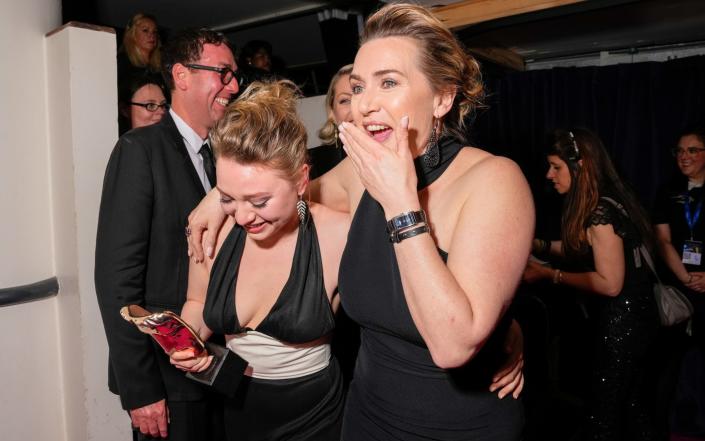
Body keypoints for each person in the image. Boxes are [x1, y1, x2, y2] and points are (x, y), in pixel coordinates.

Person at [187, 4, 531, 440]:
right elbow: (280, 189)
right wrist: (219, 198)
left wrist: (401, 202)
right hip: (365, 417)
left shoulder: (494, 181)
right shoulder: (359, 172)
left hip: (459, 427)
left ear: (443, 96)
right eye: (358, 86)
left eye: (388, 82)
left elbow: (453, 343)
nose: (365, 104)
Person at [170, 80, 349, 440]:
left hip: (316, 417)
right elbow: (197, 302)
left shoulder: (338, 235)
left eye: (259, 201)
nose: (242, 217)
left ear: (301, 179)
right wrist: (187, 345)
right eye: (227, 198)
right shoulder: (213, 229)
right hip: (236, 408)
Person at [95, 27, 239, 440]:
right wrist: (140, 391)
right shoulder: (139, 150)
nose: (232, 86)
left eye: (234, 76)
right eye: (222, 73)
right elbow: (116, 281)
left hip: (219, 369)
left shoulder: (224, 156)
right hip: (168, 384)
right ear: (182, 76)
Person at [524, 128, 659, 440]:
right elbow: (579, 248)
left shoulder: (600, 211)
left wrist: (549, 274)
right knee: (632, 405)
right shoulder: (609, 202)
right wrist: (540, 245)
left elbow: (610, 284)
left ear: (580, 165)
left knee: (604, 414)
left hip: (625, 323)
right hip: (639, 318)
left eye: (556, 167)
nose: (549, 175)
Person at [652, 127, 705, 438]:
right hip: (677, 290)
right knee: (665, 368)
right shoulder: (667, 190)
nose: (685, 157)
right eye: (680, 151)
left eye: (693, 150)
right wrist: (685, 278)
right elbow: (662, 240)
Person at [308, 64, 352, 180]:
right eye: (345, 100)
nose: (356, 107)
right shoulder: (314, 164)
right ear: (332, 112)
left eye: (361, 94)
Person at [117, 13, 162, 87]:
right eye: (145, 30)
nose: (152, 35)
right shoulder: (123, 62)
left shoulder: (159, 67)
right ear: (133, 35)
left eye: (154, 32)